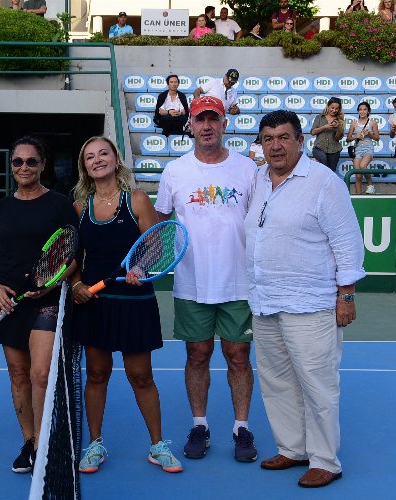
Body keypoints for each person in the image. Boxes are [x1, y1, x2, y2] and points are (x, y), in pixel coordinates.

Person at [244, 109, 366, 489]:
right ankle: (293, 448)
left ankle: (326, 460)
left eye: (283, 137)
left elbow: (347, 243)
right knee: (277, 381)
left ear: (300, 140)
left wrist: (346, 295)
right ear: (261, 145)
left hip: (311, 303)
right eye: (268, 139)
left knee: (318, 384)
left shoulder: (323, 181)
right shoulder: (259, 180)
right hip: (265, 301)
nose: (275, 146)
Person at [71, 136, 183, 474]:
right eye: (90, 157)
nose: (97, 160)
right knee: (97, 374)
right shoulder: (80, 206)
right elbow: (73, 258)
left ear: (116, 159)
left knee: (141, 376)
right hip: (95, 303)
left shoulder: (135, 199)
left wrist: (140, 268)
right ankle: (94, 444)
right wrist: (76, 284)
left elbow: (157, 246)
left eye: (103, 153)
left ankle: (157, 446)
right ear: (85, 167)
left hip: (134, 302)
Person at [155, 96, 258, 464]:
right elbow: (160, 227)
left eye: (214, 119)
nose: (207, 126)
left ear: (224, 124)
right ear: (191, 126)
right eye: (201, 120)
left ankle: (241, 428)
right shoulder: (175, 172)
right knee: (197, 355)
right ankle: (200, 425)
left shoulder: (248, 170)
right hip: (192, 282)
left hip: (239, 282)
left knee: (238, 355)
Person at [0, 136, 77, 474]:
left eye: (31, 161)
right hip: (8, 304)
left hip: (46, 301)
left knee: (39, 374)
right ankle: (29, 441)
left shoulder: (60, 204)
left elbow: (74, 254)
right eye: (18, 162)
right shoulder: (2, 208)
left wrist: (52, 281)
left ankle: (44, 444)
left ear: (42, 165)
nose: (24, 167)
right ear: (12, 166)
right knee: (18, 374)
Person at [347, 101, 379, 194]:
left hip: (368, 148)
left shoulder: (372, 122)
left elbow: (377, 138)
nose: (362, 112)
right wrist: (355, 136)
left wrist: (369, 133)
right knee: (358, 176)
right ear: (358, 111)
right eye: (360, 110)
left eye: (365, 109)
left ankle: (370, 185)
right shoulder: (354, 123)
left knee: (362, 166)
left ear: (368, 111)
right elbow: (348, 139)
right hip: (357, 149)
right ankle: (358, 196)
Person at [311, 97, 345, 173]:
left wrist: (338, 128)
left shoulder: (340, 120)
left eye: (336, 108)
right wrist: (324, 127)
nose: (334, 110)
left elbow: (337, 138)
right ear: (328, 106)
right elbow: (313, 132)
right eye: (332, 108)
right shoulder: (319, 117)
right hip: (319, 147)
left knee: (331, 172)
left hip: (334, 150)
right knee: (323, 160)